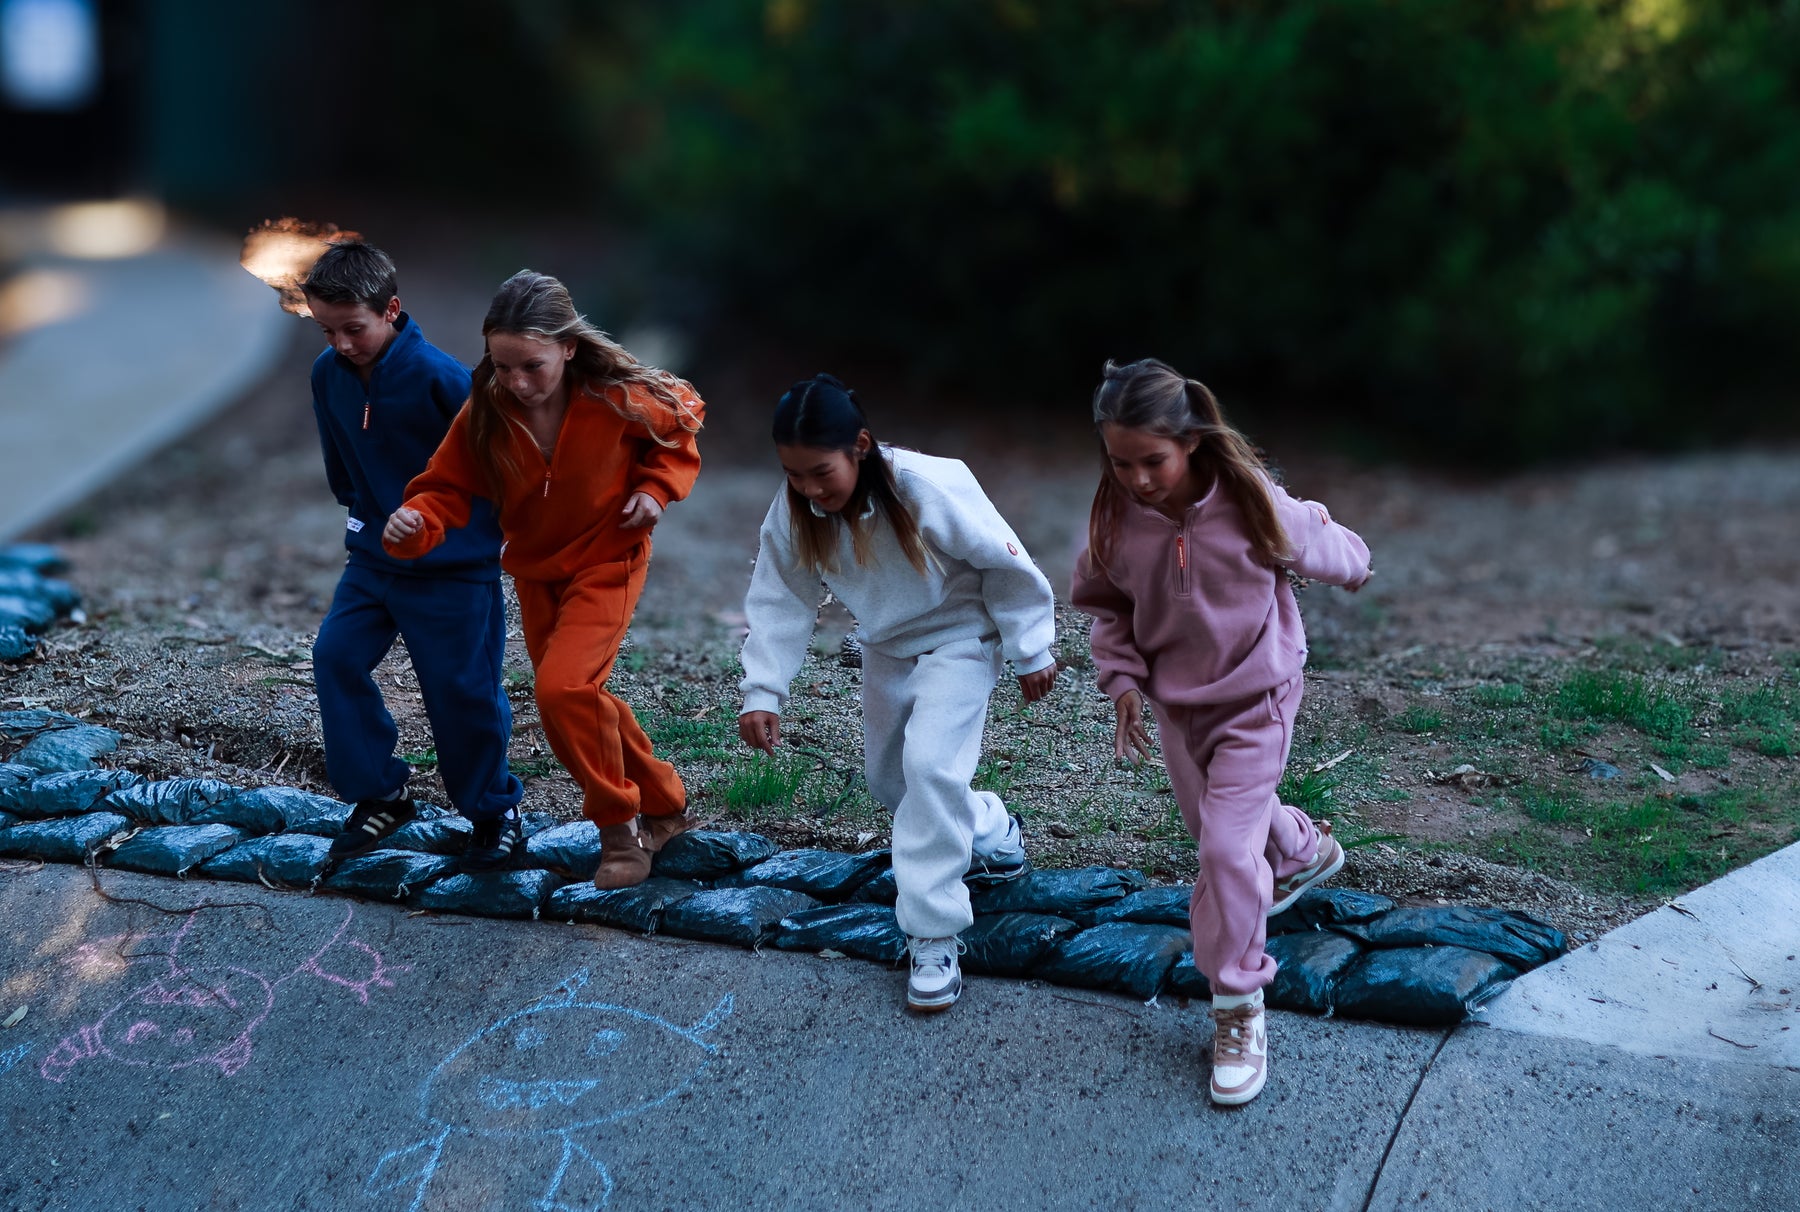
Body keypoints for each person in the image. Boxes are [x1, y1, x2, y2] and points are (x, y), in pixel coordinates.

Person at [1070, 358, 1372, 1106]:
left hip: (1258, 698)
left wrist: (1353, 564)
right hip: (1178, 706)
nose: (1138, 478)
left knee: (1223, 851)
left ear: (1192, 442)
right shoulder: (1114, 520)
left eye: (1153, 461)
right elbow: (1107, 607)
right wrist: (1123, 682)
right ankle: (1300, 849)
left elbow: (1319, 537)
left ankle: (1238, 1005)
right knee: (1223, 827)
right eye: (1120, 462)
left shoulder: (1248, 499)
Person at [737, 374, 1057, 1013]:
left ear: (859, 446)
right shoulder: (795, 510)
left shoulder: (926, 485)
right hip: (887, 646)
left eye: (821, 472)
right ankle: (993, 831)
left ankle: (933, 934)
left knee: (930, 766)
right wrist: (763, 690)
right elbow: (780, 597)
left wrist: (1030, 645)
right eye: (793, 475)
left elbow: (1004, 560)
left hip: (962, 637)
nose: (809, 489)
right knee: (892, 782)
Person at [382, 270, 703, 888]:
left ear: (569, 348)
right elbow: (444, 488)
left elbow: (681, 423)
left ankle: (620, 831)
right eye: (503, 367)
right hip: (537, 573)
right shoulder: (487, 413)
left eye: (532, 366)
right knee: (573, 702)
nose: (518, 383)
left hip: (609, 561)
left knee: (561, 690)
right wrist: (415, 521)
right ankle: (665, 802)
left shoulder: (615, 397)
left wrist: (655, 490)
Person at [301, 240, 523, 868]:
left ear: (391, 310)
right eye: (327, 330)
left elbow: (501, 467)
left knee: (462, 691)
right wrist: (365, 515)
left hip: (454, 569)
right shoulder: (327, 374)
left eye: (353, 328)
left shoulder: (444, 378)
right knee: (336, 657)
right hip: (373, 560)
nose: (342, 343)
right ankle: (382, 794)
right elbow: (339, 461)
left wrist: (461, 532)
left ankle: (493, 811)